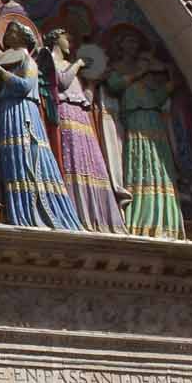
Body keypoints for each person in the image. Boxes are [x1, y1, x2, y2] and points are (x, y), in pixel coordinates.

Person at [0, 13, 83, 230]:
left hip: (23, 113)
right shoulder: (12, 61)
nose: (8, 36)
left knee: (28, 156)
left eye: (13, 33)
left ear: (24, 38)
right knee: (13, 158)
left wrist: (1, 74)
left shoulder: (28, 61)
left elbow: (25, 86)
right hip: (8, 113)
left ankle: (38, 212)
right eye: (8, 33)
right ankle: (19, 211)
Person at [105, 27, 186, 237]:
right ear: (119, 45)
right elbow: (114, 85)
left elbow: (159, 96)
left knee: (160, 164)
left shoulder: (150, 70)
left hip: (154, 119)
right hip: (134, 119)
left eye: (135, 42)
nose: (132, 46)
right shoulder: (118, 68)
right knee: (139, 161)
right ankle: (139, 216)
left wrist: (168, 76)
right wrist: (138, 74)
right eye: (127, 41)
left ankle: (165, 218)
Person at [42, 26, 124, 231]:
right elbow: (61, 82)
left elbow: (85, 99)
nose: (69, 42)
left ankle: (100, 216)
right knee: (74, 161)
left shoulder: (70, 66)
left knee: (93, 162)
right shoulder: (50, 60)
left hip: (81, 117)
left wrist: (92, 86)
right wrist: (78, 64)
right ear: (55, 40)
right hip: (66, 115)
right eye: (65, 38)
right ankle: (78, 211)